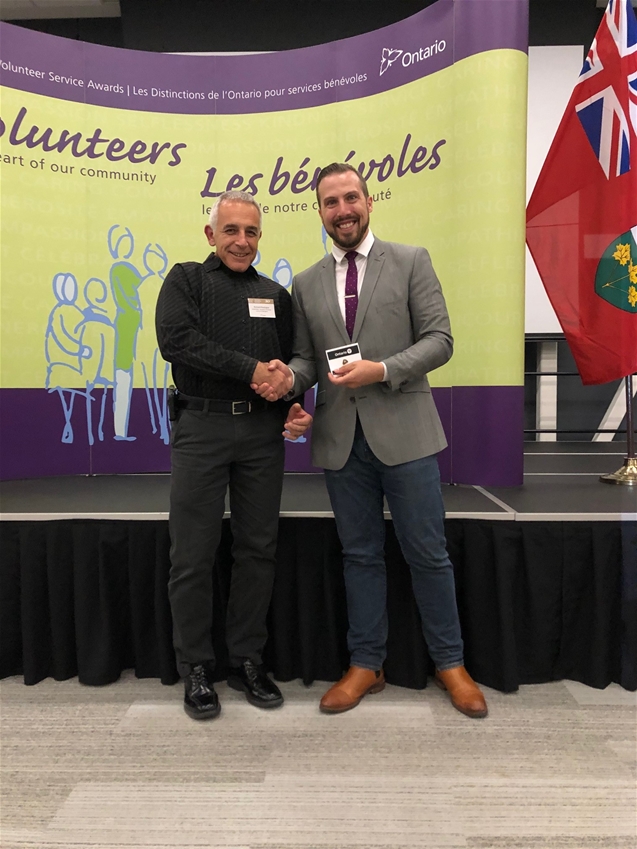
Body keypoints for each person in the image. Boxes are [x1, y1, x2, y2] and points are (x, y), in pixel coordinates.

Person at [253, 163, 487, 718]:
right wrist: (290, 380)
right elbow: (310, 359)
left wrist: (381, 369)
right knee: (359, 556)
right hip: (341, 441)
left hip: (406, 435)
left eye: (350, 198)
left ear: (369, 201)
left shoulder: (411, 261)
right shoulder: (305, 283)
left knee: (428, 555)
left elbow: (440, 340)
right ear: (320, 212)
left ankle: (451, 663)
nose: (343, 210)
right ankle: (366, 664)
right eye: (330, 202)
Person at [155, 190, 312, 720]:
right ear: (210, 235)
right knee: (192, 555)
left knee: (257, 550)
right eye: (231, 231)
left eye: (251, 232)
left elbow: (292, 363)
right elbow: (177, 340)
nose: (241, 241)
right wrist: (249, 371)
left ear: (260, 236)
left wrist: (295, 403)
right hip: (201, 428)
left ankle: (247, 659)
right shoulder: (186, 280)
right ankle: (196, 667)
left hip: (263, 436)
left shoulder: (277, 294)